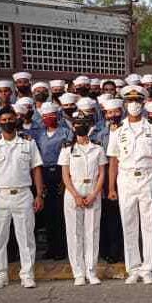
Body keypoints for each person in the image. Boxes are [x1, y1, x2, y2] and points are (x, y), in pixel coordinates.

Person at [107, 85, 152, 285]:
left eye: (137, 101)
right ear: (125, 105)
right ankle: (133, 268)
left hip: (148, 177)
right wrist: (110, 188)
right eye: (130, 101)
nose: (134, 105)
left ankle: (148, 269)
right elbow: (113, 161)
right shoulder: (117, 131)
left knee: (149, 223)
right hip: (125, 179)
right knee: (129, 223)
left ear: (143, 104)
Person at [0, 106, 45, 290]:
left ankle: (27, 274)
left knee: (26, 237)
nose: (7, 122)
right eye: (3, 120)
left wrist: (39, 194)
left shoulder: (28, 143)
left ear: (16, 120)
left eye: (10, 119)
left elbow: (36, 169)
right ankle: (0, 276)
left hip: (23, 194)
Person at [59, 110, 108, 286]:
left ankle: (91, 271)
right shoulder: (67, 149)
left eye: (84, 124)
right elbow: (65, 176)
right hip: (74, 191)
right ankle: (78, 273)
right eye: (78, 124)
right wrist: (76, 196)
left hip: (93, 190)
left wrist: (94, 194)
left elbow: (103, 174)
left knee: (92, 232)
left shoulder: (98, 148)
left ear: (90, 126)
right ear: (73, 127)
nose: (80, 127)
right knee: (74, 233)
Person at [35, 101, 72, 260]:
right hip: (44, 173)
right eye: (45, 116)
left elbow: (69, 156)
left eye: (51, 115)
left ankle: (61, 248)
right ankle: (51, 247)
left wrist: (65, 180)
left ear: (57, 116)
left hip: (60, 171)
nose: (48, 118)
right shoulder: (39, 135)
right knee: (48, 213)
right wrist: (39, 181)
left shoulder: (66, 132)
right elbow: (36, 158)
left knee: (60, 214)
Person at [94, 98, 124, 263]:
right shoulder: (100, 135)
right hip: (105, 177)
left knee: (121, 216)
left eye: (116, 112)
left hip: (124, 176)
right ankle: (107, 250)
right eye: (110, 113)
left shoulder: (126, 130)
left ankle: (119, 251)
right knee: (107, 216)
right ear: (105, 114)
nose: (113, 115)